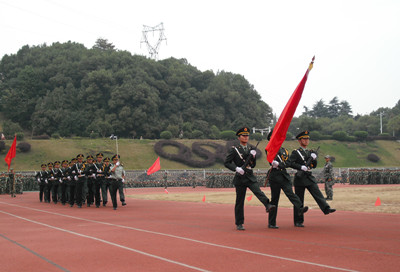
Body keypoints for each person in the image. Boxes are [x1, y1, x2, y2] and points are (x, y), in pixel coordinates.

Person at [224, 127, 275, 231]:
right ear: (239, 137)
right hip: (240, 176)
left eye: (247, 135)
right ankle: (239, 223)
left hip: (249, 174)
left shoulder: (250, 149)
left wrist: (253, 157)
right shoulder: (235, 150)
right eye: (244, 135)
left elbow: (253, 164)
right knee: (240, 201)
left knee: (258, 191)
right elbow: (227, 163)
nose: (246, 137)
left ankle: (267, 204)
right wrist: (236, 169)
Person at [289, 130, 336, 227]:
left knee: (317, 193)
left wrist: (314, 158)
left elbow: (313, 165)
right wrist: (300, 167)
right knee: (299, 200)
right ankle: (298, 221)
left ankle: (326, 208)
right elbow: (291, 163)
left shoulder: (310, 152)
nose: (306, 141)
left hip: (309, 176)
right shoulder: (296, 152)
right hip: (300, 177)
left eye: (307, 139)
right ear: (299, 140)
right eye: (304, 139)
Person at [265, 130, 308, 229]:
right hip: (274, 175)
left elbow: (288, 162)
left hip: (284, 175)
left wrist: (281, 164)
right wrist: (276, 163)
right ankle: (271, 222)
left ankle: (300, 208)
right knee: (275, 199)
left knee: (290, 193)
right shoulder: (269, 149)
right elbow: (270, 160)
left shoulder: (284, 150)